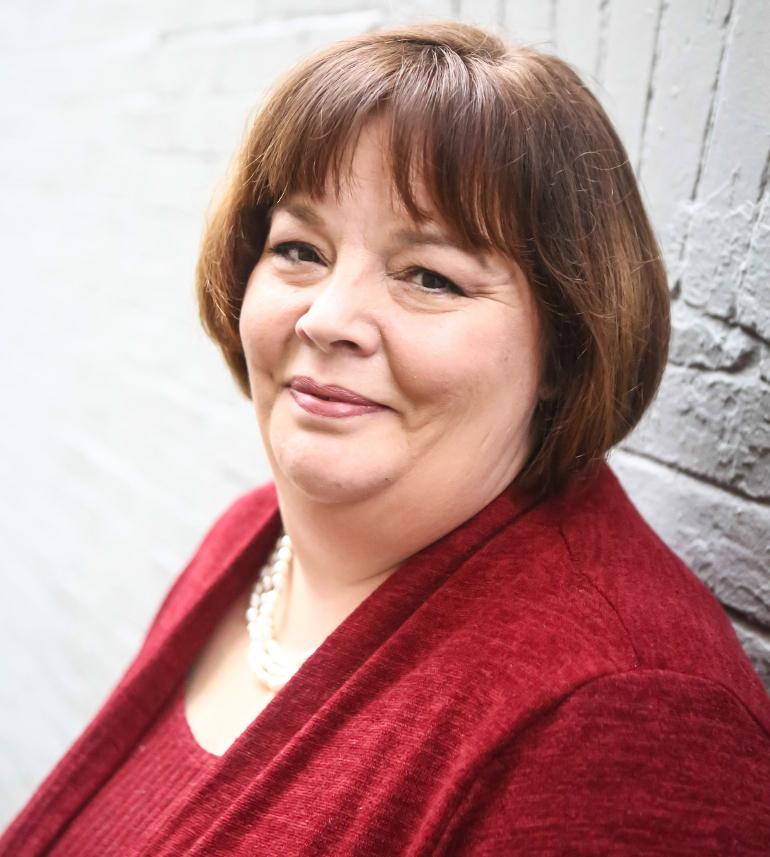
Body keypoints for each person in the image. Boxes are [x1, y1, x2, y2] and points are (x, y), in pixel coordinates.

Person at [2, 21, 769, 857]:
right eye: (300, 249)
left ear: (563, 344)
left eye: (429, 275)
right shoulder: (254, 537)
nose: (327, 318)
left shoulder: (624, 726)